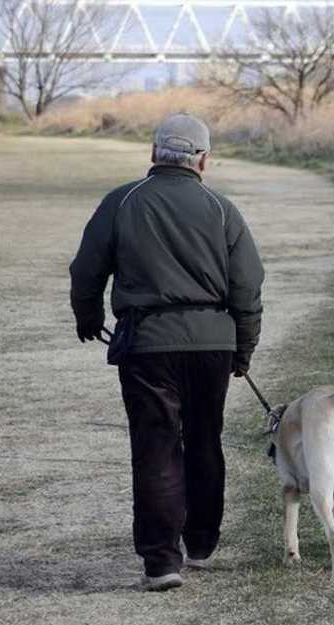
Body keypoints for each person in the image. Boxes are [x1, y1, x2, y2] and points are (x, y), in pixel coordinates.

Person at [69, 113, 265, 592]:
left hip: (147, 345)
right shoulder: (221, 209)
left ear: (154, 154)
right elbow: (248, 286)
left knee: (156, 446)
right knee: (204, 440)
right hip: (212, 345)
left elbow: (86, 270)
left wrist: (89, 318)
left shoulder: (122, 202)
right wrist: (243, 348)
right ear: (204, 159)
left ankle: (161, 561)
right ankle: (199, 542)